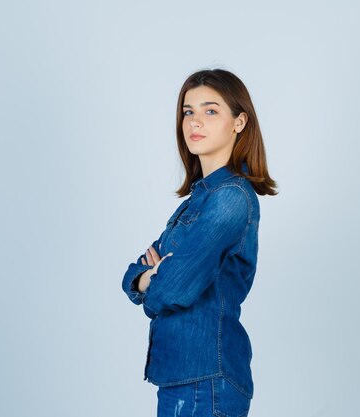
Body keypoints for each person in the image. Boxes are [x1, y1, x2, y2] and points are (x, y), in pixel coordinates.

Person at [121, 68, 277, 417]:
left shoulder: (230, 198)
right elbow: (133, 275)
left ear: (239, 122)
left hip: (205, 382)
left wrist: (153, 282)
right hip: (183, 378)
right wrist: (146, 278)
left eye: (210, 111)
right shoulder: (198, 201)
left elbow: (173, 290)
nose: (194, 121)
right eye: (188, 111)